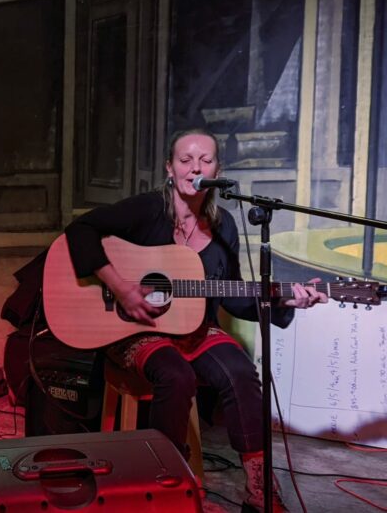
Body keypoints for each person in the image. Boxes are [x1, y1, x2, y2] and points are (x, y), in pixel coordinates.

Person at [64, 128, 327, 512]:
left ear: (217, 169)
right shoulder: (148, 209)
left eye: (205, 160)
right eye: (186, 160)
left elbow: (233, 298)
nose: (195, 167)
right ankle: (168, 486)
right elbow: (80, 229)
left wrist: (286, 301)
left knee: (240, 371)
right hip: (139, 332)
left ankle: (258, 489)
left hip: (195, 331)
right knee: (176, 374)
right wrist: (121, 287)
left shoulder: (225, 228)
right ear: (170, 168)